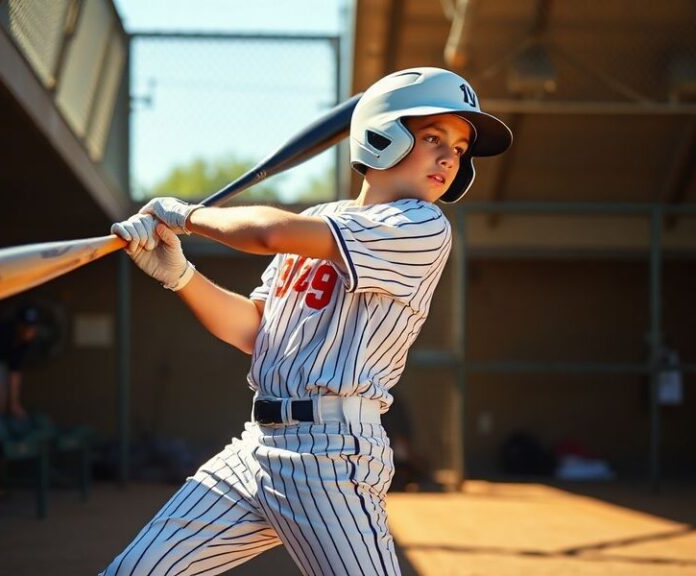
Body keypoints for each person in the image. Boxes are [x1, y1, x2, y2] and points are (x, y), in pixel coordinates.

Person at [103, 67, 512, 575]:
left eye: (459, 146)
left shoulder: (421, 226)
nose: (450, 155)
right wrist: (180, 274)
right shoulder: (323, 217)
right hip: (256, 446)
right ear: (382, 136)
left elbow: (270, 233)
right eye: (433, 137)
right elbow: (253, 330)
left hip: (332, 456)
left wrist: (186, 217)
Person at [0, 305, 40, 420]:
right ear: (18, 324)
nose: (27, 330)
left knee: (0, 402)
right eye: (25, 326)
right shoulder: (3, 332)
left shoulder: (24, 342)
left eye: (31, 327)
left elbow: (14, 373)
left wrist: (14, 403)